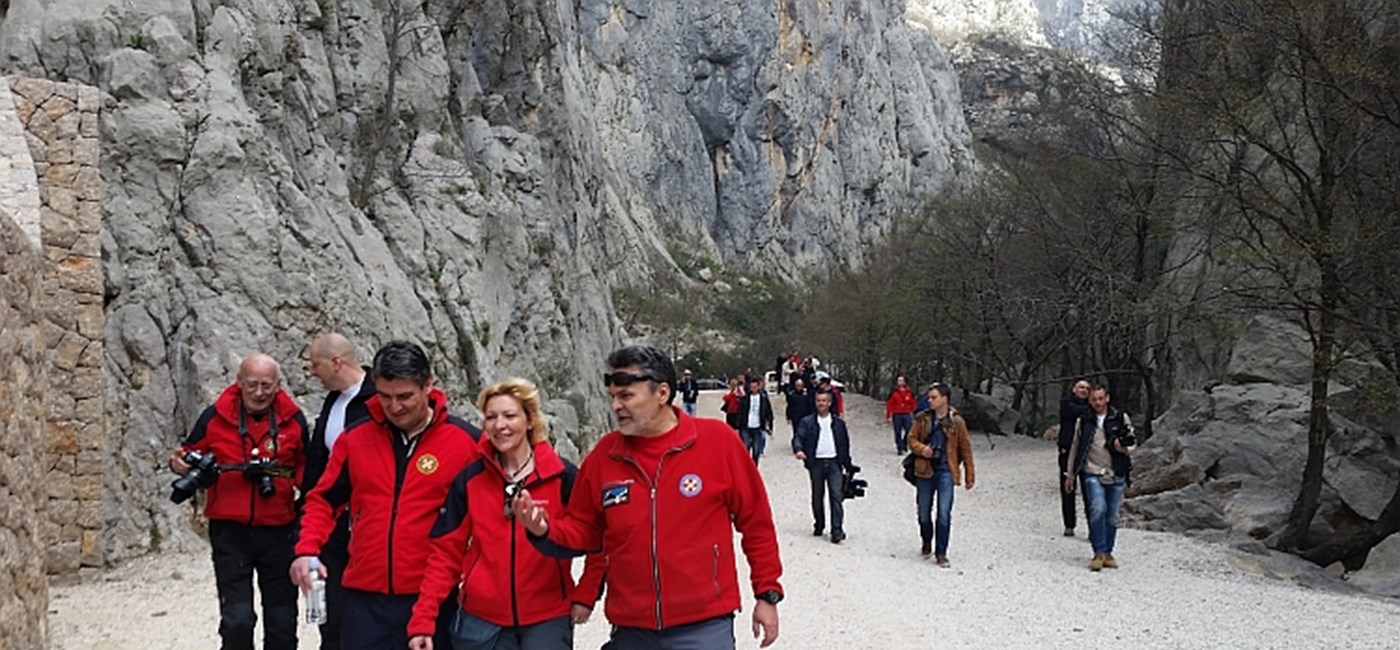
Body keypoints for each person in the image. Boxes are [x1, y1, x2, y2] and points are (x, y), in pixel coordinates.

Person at [511, 344, 784, 649]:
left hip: (704, 625)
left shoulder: (718, 443)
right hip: (631, 628)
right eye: (613, 397)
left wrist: (767, 593)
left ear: (662, 393)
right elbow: (585, 530)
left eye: (626, 396)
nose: (616, 406)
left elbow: (757, 523)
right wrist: (544, 529)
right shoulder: (604, 455)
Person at [290, 340, 481, 650]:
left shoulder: (466, 442)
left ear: (428, 386)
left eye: (404, 396)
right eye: (384, 396)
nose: (394, 407)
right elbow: (322, 500)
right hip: (364, 598)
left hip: (433, 597)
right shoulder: (355, 438)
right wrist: (306, 549)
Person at [407, 378, 604, 650]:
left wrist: (586, 594)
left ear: (530, 420)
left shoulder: (562, 476)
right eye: (491, 417)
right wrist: (423, 619)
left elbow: (597, 538)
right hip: (481, 620)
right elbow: (445, 553)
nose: (500, 425)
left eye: (510, 416)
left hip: (547, 617)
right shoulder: (470, 480)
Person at [168, 353, 308, 650]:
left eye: (267, 386)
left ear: (278, 386)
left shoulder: (293, 420)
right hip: (230, 532)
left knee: (282, 621)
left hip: (279, 530)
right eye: (252, 385)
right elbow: (186, 453)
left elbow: (305, 472)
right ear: (239, 382)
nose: (259, 393)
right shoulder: (214, 417)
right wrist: (179, 464)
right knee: (237, 620)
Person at [302, 334, 376, 649]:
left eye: (314, 365)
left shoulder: (377, 399)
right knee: (329, 608)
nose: (311, 373)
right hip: (331, 522)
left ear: (336, 362)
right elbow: (319, 463)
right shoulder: (333, 400)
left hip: (367, 523)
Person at [1064, 385, 1136, 571]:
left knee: (1112, 514)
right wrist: (1070, 474)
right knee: (1097, 508)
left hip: (1116, 471)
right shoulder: (1084, 420)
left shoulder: (1120, 418)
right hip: (1092, 471)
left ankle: (1108, 552)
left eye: (1100, 398)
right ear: (1090, 400)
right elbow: (1075, 447)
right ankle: (1098, 551)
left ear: (1107, 398)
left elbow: (1133, 442)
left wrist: (1124, 447)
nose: (1097, 403)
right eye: (1094, 399)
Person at [906, 383, 975, 567]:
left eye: (934, 397)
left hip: (946, 470)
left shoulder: (957, 422)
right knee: (923, 513)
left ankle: (941, 553)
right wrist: (922, 449)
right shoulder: (922, 419)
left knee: (944, 513)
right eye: (929, 397)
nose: (930, 400)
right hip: (924, 470)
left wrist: (969, 474)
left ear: (945, 399)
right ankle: (927, 540)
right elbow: (911, 439)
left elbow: (965, 449)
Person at [792, 391, 853, 543]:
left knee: (836, 495)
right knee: (817, 496)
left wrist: (848, 465)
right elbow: (798, 437)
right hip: (816, 463)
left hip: (834, 463)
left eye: (824, 401)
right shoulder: (807, 422)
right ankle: (819, 524)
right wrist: (799, 450)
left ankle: (837, 530)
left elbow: (845, 445)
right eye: (818, 400)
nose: (821, 403)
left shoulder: (839, 423)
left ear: (830, 403)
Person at [1056, 379, 1092, 537]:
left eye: (1087, 388)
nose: (1084, 390)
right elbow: (1073, 411)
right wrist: (1089, 409)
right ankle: (1069, 524)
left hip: (1086, 451)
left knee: (1089, 488)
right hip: (1067, 448)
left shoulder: (1091, 405)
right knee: (1067, 488)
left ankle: (1092, 527)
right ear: (1074, 389)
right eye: (1081, 387)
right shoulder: (1066, 403)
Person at [739, 373, 775, 465]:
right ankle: (746, 467)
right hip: (746, 426)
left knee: (756, 451)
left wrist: (770, 426)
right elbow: (740, 412)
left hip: (758, 426)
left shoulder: (763, 399)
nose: (753, 389)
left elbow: (769, 413)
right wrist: (738, 425)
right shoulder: (745, 399)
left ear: (758, 387)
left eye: (755, 387)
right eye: (752, 387)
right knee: (745, 449)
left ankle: (754, 468)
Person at [885, 376, 917, 456]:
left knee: (909, 430)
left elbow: (913, 403)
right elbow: (889, 404)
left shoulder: (909, 392)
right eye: (899, 380)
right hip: (897, 414)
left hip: (906, 413)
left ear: (905, 382)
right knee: (897, 431)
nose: (900, 382)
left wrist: (914, 413)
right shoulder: (894, 393)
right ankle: (899, 448)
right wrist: (889, 415)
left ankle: (904, 443)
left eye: (902, 380)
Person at [784, 376, 814, 446]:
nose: (799, 387)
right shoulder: (792, 395)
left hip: (805, 416)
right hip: (796, 417)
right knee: (796, 431)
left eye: (800, 385)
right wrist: (788, 417)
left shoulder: (807, 395)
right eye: (797, 385)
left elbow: (810, 405)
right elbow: (790, 406)